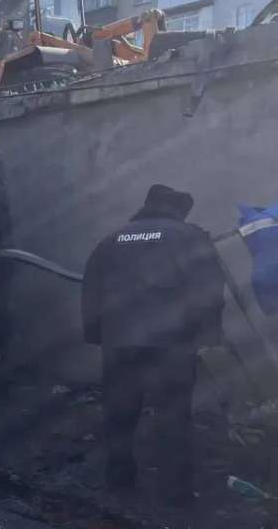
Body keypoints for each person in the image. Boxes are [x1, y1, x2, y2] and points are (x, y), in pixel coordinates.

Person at [81, 184, 226, 500]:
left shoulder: (112, 239)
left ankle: (119, 480)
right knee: (173, 415)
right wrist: (208, 335)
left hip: (120, 342)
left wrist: (96, 334)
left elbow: (91, 287)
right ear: (180, 211)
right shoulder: (190, 237)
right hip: (172, 343)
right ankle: (174, 491)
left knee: (120, 413)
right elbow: (209, 289)